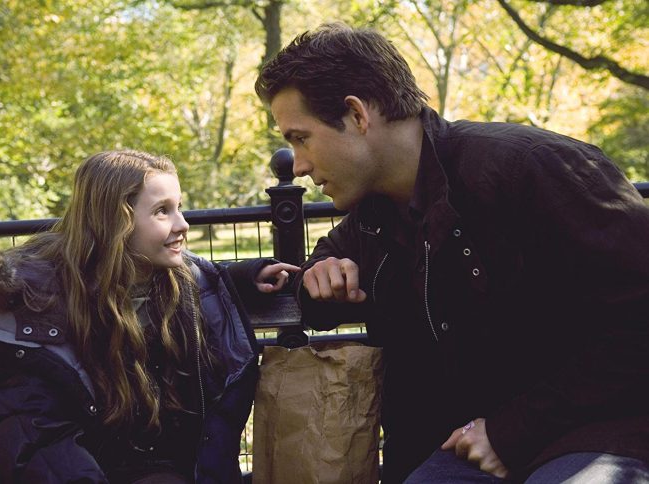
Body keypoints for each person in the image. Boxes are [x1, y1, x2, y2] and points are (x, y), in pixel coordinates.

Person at [255, 22, 649, 483]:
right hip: (467, 447)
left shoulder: (530, 168)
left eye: (301, 138)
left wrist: (512, 432)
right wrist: (316, 275)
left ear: (357, 115)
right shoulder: (377, 212)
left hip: (598, 435)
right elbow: (325, 263)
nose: (298, 165)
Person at [0, 149, 299, 483]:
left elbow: (208, 276)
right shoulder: (34, 309)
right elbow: (26, 434)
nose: (183, 224)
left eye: (179, 207)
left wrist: (244, 278)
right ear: (115, 221)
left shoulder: (178, 285)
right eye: (162, 211)